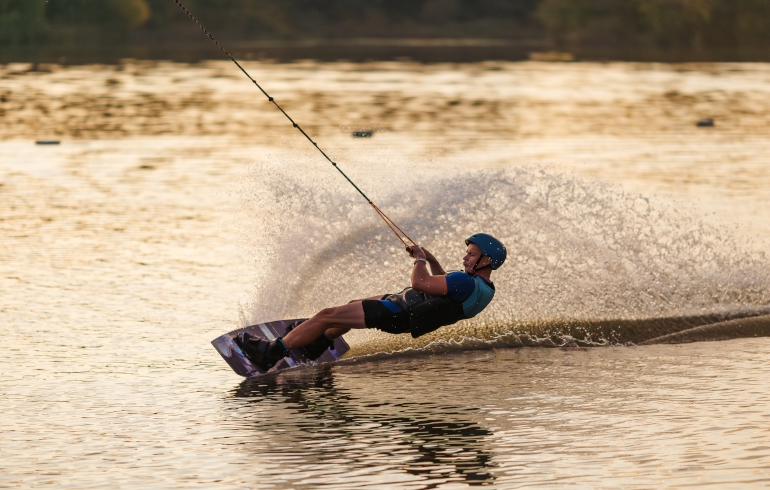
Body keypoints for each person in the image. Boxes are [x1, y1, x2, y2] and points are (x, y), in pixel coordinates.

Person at [235, 233, 506, 370]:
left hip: (397, 311)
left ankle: (271, 352)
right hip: (404, 312)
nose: (465, 258)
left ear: (486, 260)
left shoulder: (465, 280)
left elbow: (420, 283)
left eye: (470, 255)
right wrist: (430, 257)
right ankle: (315, 342)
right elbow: (443, 284)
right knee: (351, 305)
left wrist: (420, 260)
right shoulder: (484, 290)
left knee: (326, 315)